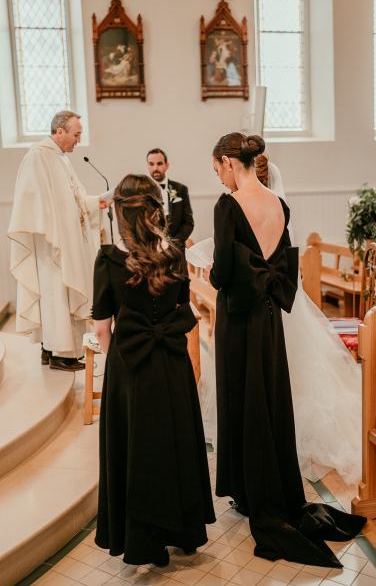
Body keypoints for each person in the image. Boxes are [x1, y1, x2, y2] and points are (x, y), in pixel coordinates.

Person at [205, 132, 366, 567]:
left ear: (228, 162)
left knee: (242, 396)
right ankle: (267, 485)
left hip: (239, 319)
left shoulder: (228, 206)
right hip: (270, 316)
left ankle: (248, 490)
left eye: (217, 167)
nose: (217, 176)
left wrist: (207, 271)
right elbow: (272, 259)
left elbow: (223, 270)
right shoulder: (279, 204)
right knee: (269, 397)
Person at [92, 174, 215, 567]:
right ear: (155, 210)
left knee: (138, 452)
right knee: (175, 444)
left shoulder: (110, 259)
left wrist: (119, 365)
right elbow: (185, 307)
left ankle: (146, 543)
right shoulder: (175, 253)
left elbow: (100, 327)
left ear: (121, 214)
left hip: (133, 369)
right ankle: (185, 533)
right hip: (173, 366)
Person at [254, 153, 362, 484]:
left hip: (272, 296)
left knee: (288, 359)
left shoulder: (268, 207)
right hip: (280, 296)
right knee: (292, 359)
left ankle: (279, 418)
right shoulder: (273, 206)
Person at [8, 110, 104, 371]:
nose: (78, 140)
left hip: (66, 240)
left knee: (60, 296)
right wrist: (55, 229)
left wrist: (98, 202)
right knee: (55, 296)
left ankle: (53, 349)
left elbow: (73, 199)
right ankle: (60, 353)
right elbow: (33, 201)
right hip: (52, 244)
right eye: (76, 134)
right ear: (59, 131)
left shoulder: (61, 160)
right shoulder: (37, 157)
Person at [146, 148, 194, 249]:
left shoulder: (181, 189)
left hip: (176, 250)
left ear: (166, 165)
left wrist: (173, 243)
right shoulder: (141, 191)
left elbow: (188, 223)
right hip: (151, 251)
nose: (155, 167)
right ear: (147, 166)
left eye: (159, 163)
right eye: (151, 164)